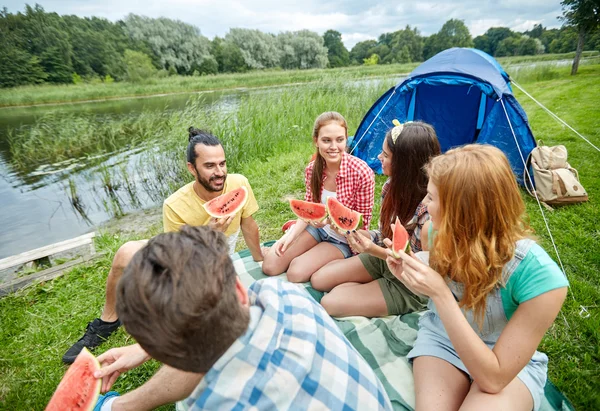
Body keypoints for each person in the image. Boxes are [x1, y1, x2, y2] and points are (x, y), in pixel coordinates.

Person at [92, 226, 393, 411]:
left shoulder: (208, 405)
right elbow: (211, 335)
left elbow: (202, 348)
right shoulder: (285, 296)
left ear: (167, 353)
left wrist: (155, 344)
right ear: (239, 286)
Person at [386, 145, 568, 411]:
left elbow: (494, 379)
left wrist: (439, 293)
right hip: (443, 339)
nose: (424, 204)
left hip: (504, 366)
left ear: (462, 209)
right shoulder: (435, 233)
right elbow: (443, 299)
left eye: (432, 198)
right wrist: (409, 276)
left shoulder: (541, 278)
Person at [63, 128, 264, 364]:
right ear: (192, 168)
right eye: (210, 166)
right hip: (183, 251)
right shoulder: (174, 204)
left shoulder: (239, 184)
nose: (219, 172)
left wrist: (260, 259)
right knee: (125, 253)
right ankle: (108, 321)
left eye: (222, 163)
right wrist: (206, 234)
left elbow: (249, 226)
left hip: (215, 257)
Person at [311, 121, 441, 318]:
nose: (379, 157)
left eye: (386, 155)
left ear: (405, 164)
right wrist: (361, 234)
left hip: (411, 285)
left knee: (329, 302)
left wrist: (373, 250)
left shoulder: (430, 215)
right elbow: (384, 235)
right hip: (385, 258)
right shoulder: (390, 187)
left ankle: (371, 291)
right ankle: (368, 288)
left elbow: (422, 272)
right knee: (318, 280)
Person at [262, 111, 375, 283]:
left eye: (340, 140)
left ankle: (331, 260)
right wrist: (289, 237)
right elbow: (309, 210)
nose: (334, 147)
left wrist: (332, 222)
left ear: (346, 139)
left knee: (296, 273)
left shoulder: (362, 172)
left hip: (343, 240)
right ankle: (296, 240)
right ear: (316, 140)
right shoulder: (312, 169)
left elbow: (362, 227)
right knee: (270, 265)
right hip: (316, 229)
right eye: (326, 140)